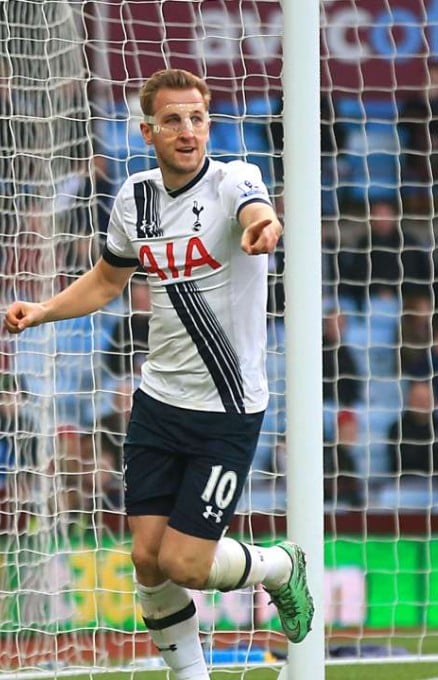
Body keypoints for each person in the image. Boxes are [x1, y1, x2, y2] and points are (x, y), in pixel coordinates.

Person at [4, 69, 314, 680]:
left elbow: (258, 213)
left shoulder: (234, 180)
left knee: (186, 565)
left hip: (226, 409)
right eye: (172, 120)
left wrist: (265, 226)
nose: (187, 130)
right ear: (147, 132)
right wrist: (41, 310)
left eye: (197, 118)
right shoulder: (134, 198)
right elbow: (107, 279)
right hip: (158, 403)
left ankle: (280, 566)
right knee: (147, 560)